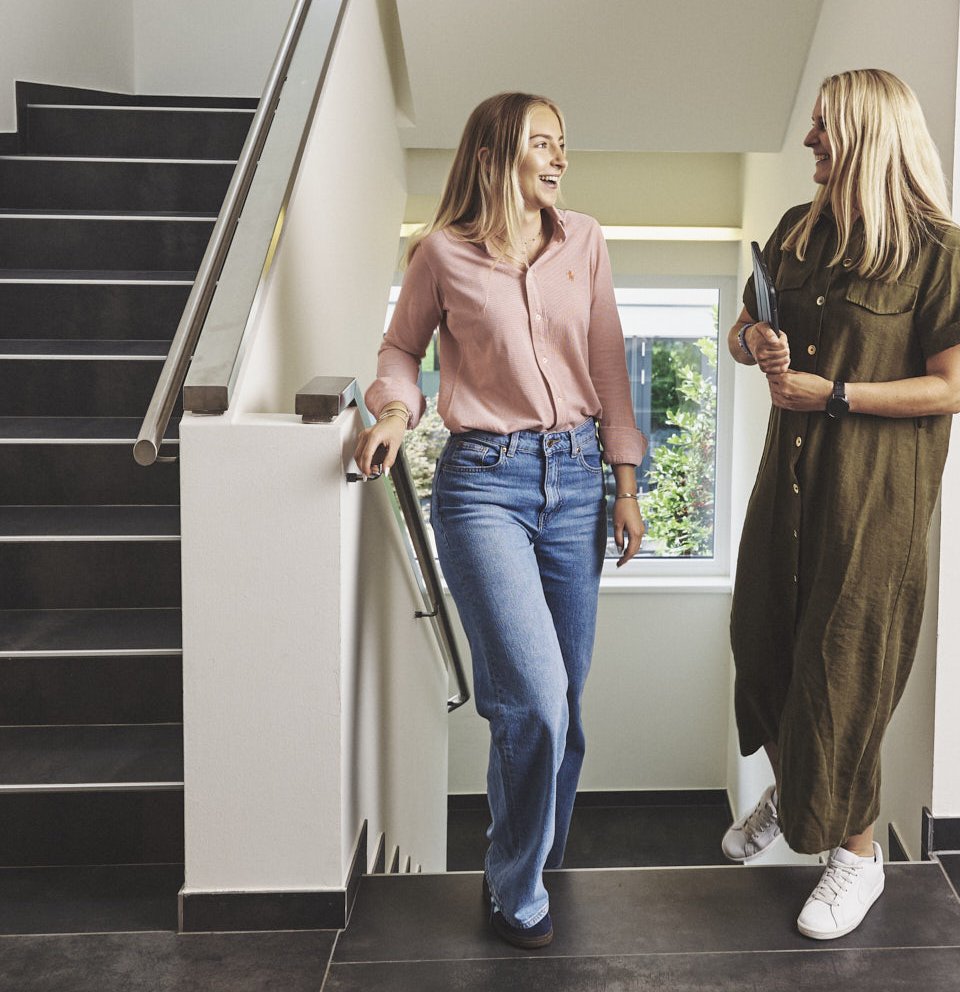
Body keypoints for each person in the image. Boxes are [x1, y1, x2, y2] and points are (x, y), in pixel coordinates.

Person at [354, 92, 646, 950]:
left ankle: (538, 856)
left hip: (579, 482)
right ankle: (513, 884)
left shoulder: (584, 241)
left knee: (566, 702)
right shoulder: (441, 254)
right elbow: (401, 348)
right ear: (497, 154)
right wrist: (395, 414)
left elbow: (606, 362)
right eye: (543, 144)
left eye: (564, 144)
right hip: (483, 484)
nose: (559, 159)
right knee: (534, 701)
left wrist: (624, 479)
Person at [722, 68, 960, 940]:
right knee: (764, 636)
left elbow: (950, 389)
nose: (808, 141)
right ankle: (798, 799)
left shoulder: (935, 247)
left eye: (823, 127)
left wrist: (831, 395)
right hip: (787, 484)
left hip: (872, 498)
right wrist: (752, 337)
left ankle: (855, 857)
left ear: (869, 132)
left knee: (843, 669)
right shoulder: (799, 230)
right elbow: (743, 330)